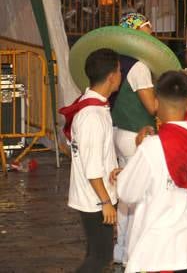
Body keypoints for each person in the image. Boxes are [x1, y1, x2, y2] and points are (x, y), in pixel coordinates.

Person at [116, 71, 187, 273]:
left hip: (155, 250)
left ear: (156, 103)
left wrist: (136, 157)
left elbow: (127, 193)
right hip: (185, 248)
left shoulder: (151, 147)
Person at [60, 48, 122, 273]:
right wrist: (105, 202)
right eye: (119, 71)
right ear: (111, 77)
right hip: (94, 198)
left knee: (95, 254)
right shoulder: (92, 116)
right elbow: (92, 167)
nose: (121, 75)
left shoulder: (93, 106)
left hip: (96, 193)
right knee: (100, 258)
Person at [110, 13, 158, 265]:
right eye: (148, 30)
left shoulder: (118, 61)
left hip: (119, 131)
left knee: (124, 195)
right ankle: (133, 252)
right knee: (138, 196)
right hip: (136, 135)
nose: (152, 35)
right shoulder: (139, 66)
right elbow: (152, 107)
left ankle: (121, 248)